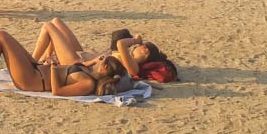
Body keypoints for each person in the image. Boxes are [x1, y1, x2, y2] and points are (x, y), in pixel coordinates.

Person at [0, 29, 126, 95]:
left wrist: (53, 68)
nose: (99, 59)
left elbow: (57, 91)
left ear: (104, 67)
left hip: (31, 80)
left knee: (1, 37)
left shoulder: (88, 83)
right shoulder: (89, 72)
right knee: (5, 37)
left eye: (102, 60)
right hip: (38, 69)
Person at [30, 18, 169, 81]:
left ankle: (32, 62)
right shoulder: (129, 59)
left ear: (145, 52)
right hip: (81, 55)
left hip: (77, 64)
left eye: (139, 46)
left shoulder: (133, 67)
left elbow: (121, 44)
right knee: (56, 21)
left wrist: (136, 40)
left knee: (48, 26)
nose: (135, 47)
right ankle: (44, 59)